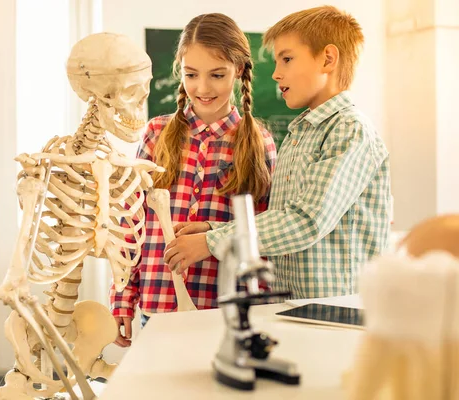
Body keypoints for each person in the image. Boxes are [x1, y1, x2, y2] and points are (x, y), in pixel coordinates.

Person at [165, 5, 392, 301]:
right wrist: (214, 227)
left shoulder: (350, 130)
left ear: (327, 59)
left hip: (337, 310)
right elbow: (280, 220)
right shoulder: (302, 134)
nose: (275, 74)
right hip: (297, 307)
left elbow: (306, 221)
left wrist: (211, 241)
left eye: (286, 59)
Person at [110, 13, 277, 347]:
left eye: (217, 75)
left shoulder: (259, 141)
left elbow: (265, 230)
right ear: (179, 71)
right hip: (157, 302)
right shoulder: (156, 133)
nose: (203, 87)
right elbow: (130, 221)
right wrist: (121, 298)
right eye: (191, 74)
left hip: (225, 305)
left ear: (239, 71)